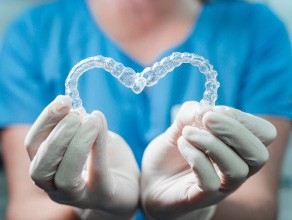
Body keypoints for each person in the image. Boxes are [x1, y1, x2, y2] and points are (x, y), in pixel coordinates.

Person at [0, 0, 291, 219]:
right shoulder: (33, 35)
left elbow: (260, 202)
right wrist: (96, 209)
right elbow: (26, 206)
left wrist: (198, 209)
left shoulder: (258, 31)